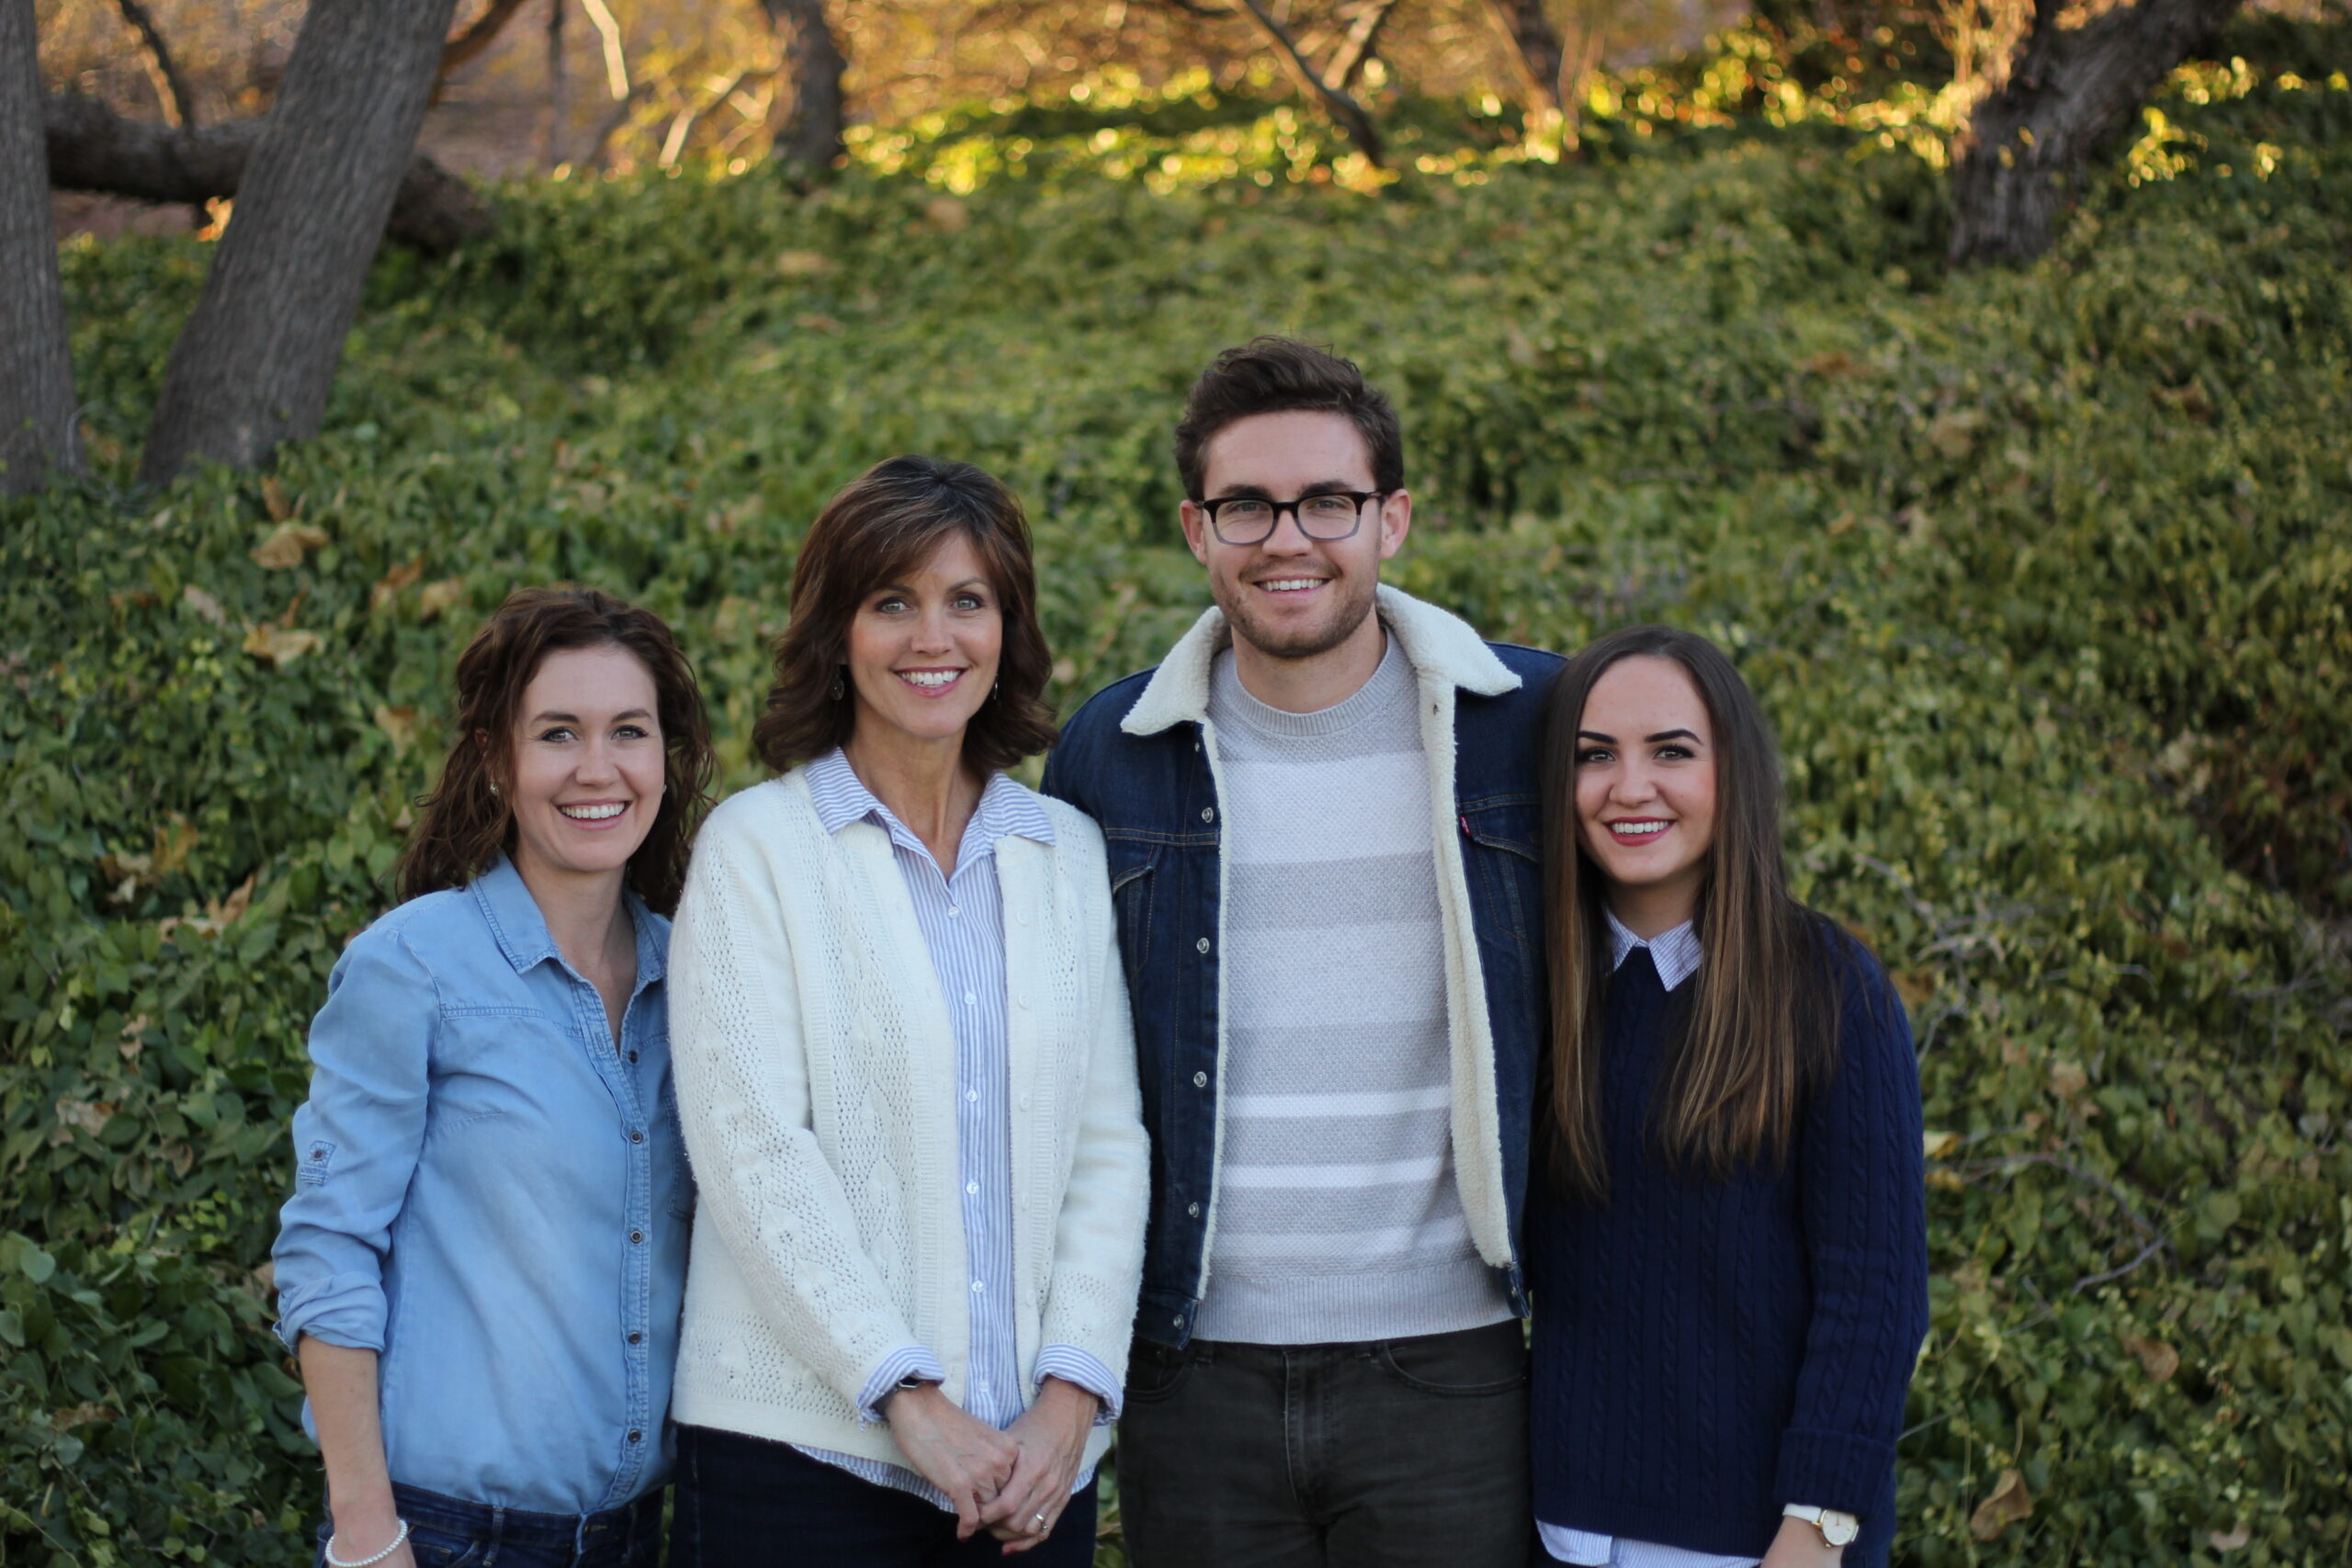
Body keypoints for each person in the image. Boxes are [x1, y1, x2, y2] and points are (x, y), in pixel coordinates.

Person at [1040, 337, 1559, 1567]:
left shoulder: (1527, 723)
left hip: (1454, 1368)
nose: (1287, 537)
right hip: (1193, 1372)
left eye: (1327, 501)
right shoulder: (1110, 752)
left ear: (1393, 520)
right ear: (1195, 528)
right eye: (1246, 505)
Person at [662, 456, 1148, 1567]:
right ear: (837, 633)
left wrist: (1070, 1398)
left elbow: (1107, 1148)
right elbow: (750, 1151)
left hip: (1029, 1469)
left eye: (965, 602)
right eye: (893, 603)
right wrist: (907, 1397)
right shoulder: (756, 849)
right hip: (797, 1464)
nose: (934, 638)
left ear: (1006, 629)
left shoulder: (1061, 852)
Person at [272, 587, 715, 1568]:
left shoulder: (699, 976)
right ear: (493, 762)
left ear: (664, 758)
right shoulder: (415, 967)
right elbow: (327, 1252)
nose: (597, 769)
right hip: (443, 1539)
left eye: (628, 733)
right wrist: (366, 1534)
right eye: (557, 733)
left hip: (638, 1541)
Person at [1526, 625, 1930, 1568]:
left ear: (1732, 772)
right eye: (1593, 757)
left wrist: (1819, 1524)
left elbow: (1875, 1296)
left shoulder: (1827, 986)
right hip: (1559, 1532)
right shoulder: (1538, 986)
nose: (1630, 788)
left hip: (1758, 1543)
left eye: (1671, 751)